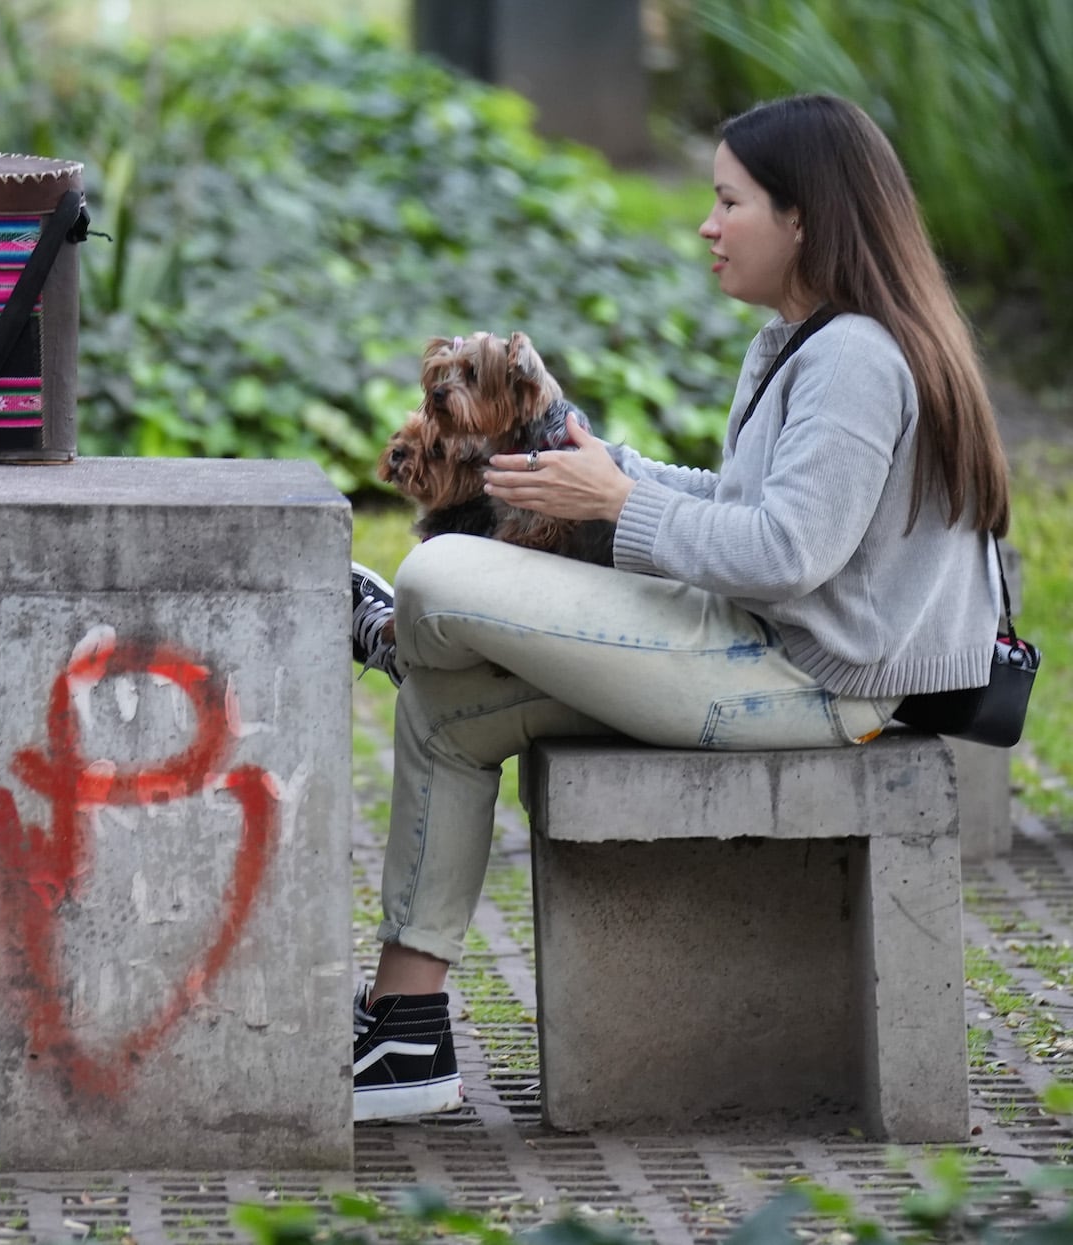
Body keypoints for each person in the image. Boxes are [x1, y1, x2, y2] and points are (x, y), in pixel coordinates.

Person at [347, 94, 1009, 1122]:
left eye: (728, 200)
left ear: (804, 219)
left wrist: (619, 504)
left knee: (436, 581)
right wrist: (606, 465)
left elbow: (788, 553)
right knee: (444, 715)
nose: (706, 223)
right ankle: (406, 1036)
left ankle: (397, 632)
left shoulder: (857, 360)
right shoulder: (809, 341)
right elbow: (751, 505)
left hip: (804, 682)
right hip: (763, 652)